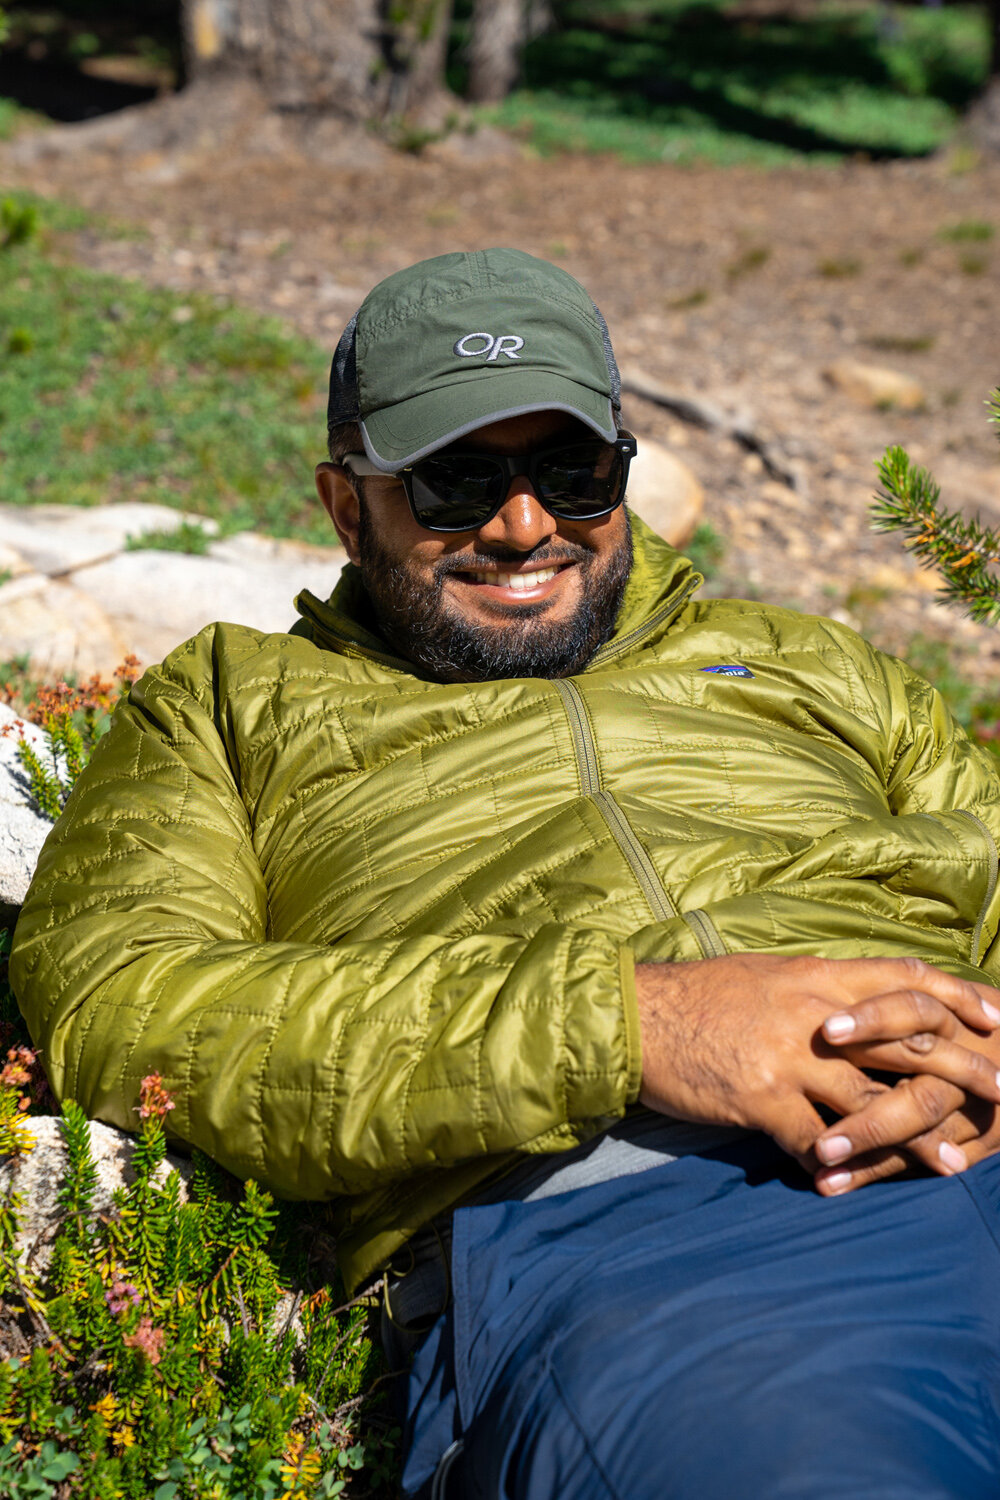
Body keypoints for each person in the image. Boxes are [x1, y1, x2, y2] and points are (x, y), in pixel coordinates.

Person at [11, 248, 1000, 1499]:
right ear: (342, 502)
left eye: (572, 473)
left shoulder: (812, 660)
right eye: (454, 480)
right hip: (659, 1232)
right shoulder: (223, 709)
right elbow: (132, 1008)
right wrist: (628, 1023)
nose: (523, 524)